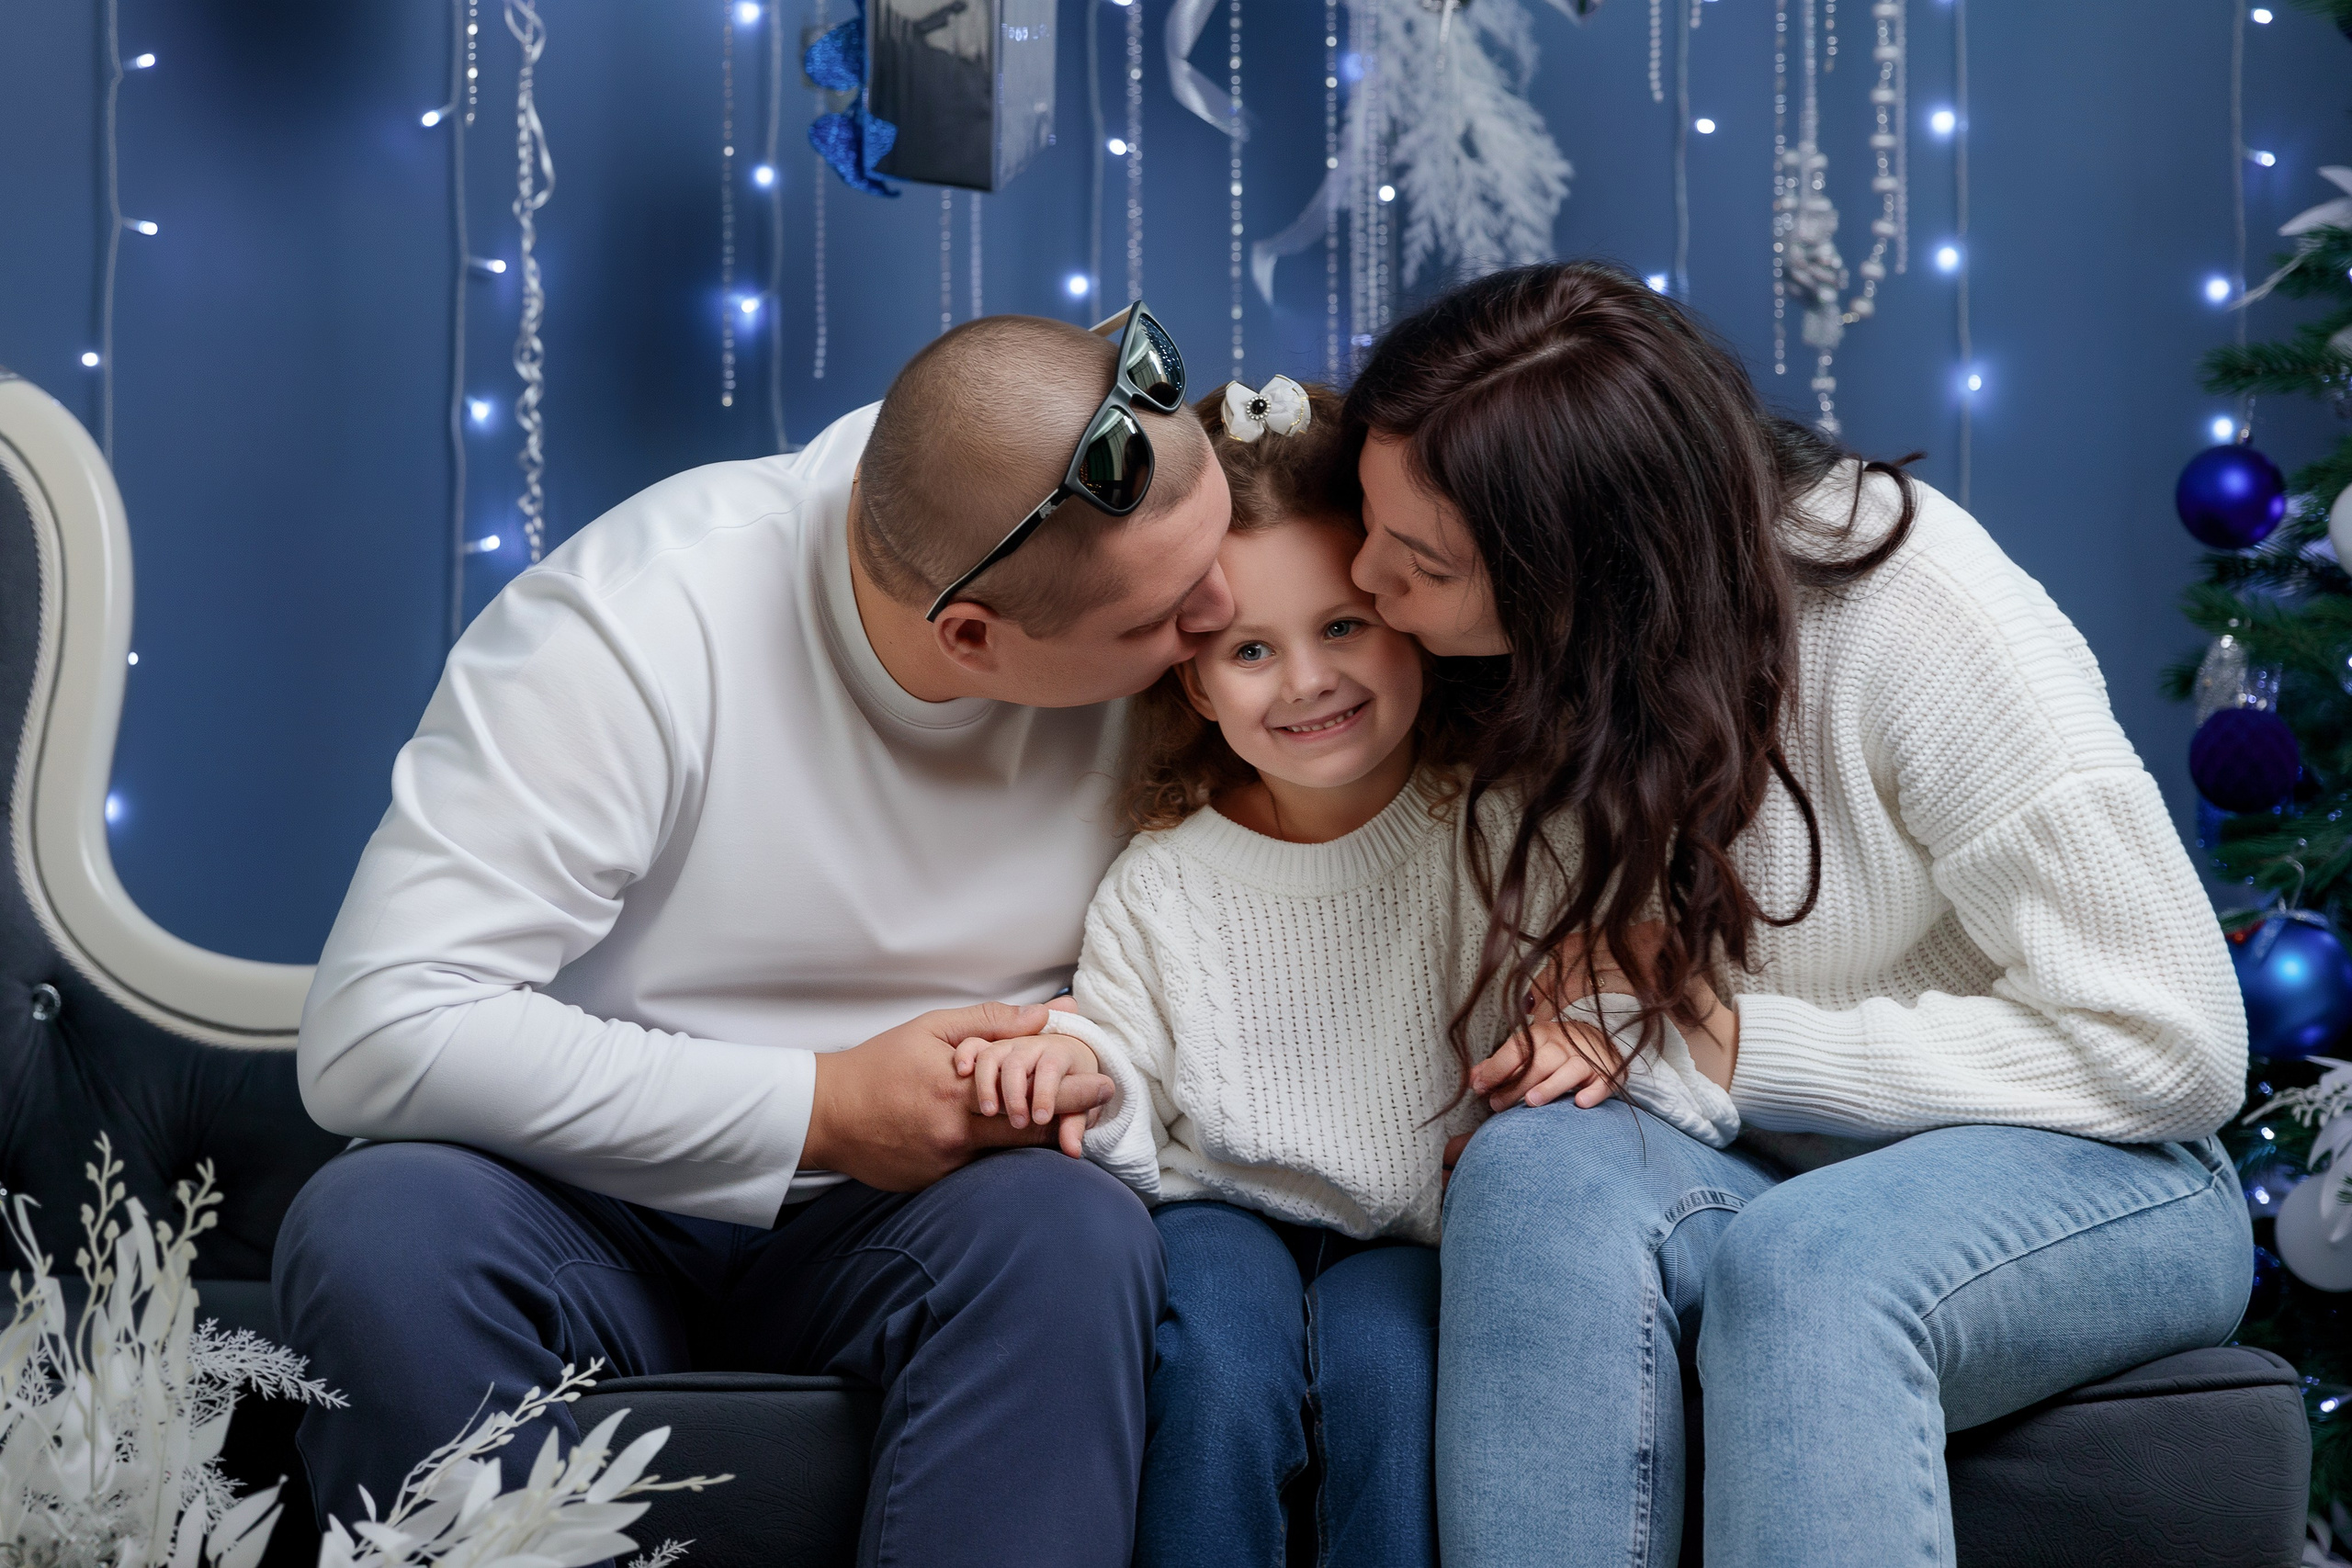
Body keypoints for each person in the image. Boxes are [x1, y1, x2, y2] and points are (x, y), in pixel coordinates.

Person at [274, 306, 1233, 1568]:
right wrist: (825, 1106)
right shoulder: (632, 624)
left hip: (936, 1216)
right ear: (971, 636)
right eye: (1162, 615)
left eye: (1217, 553)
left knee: (1071, 1237)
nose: (1223, 612)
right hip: (588, 1203)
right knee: (378, 1230)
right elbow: (376, 1031)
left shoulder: (1174, 617)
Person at [1342, 261, 2253, 1568]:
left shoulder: (1922, 616)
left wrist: (1738, 1048)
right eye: (1370, 524)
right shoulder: (1545, 659)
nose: (1364, 575)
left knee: (1811, 1268)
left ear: (1583, 575)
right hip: (1775, 1159)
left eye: (1420, 563)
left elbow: (2174, 1049)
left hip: (2109, 1161)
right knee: (1530, 1174)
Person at [957, 375, 1743, 1568]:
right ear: (1194, 683)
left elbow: (1606, 992)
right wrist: (1074, 1071)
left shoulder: (1505, 833)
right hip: (1222, 1210)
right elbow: (1119, 1054)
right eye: (1250, 650)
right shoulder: (1165, 881)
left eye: (1341, 628)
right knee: (1215, 1377)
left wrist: (1587, 1031)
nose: (1307, 682)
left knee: (1398, 1387)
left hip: (1419, 1240)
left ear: (1410, 622)